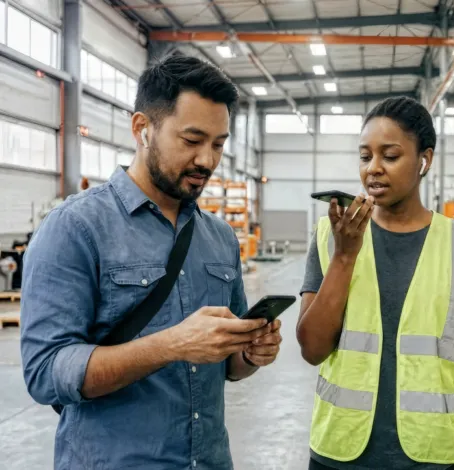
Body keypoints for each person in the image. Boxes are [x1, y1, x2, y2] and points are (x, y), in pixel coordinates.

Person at [20, 53, 282, 469]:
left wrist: (248, 354)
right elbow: (46, 372)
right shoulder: (76, 228)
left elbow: (226, 366)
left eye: (218, 144)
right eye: (192, 140)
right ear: (142, 129)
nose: (208, 161)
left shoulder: (218, 237)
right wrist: (170, 344)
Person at [296, 96, 454, 470]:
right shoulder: (330, 235)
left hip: (435, 455)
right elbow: (312, 349)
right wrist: (344, 256)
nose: (373, 169)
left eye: (389, 156)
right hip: (340, 453)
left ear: (425, 159)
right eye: (364, 156)